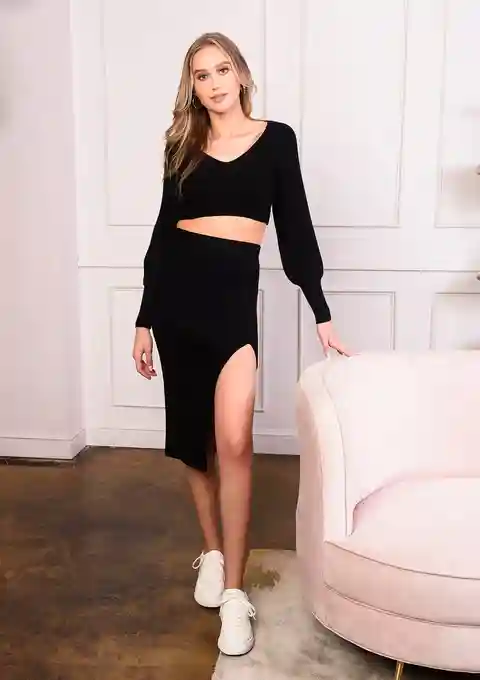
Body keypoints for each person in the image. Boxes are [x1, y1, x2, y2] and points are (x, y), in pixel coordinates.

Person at [132, 31, 349, 656]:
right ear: (193, 88)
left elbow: (296, 227)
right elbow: (162, 232)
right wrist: (144, 319)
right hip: (177, 301)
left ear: (242, 74)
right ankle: (213, 553)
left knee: (234, 440)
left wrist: (321, 311)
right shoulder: (182, 145)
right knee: (195, 439)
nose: (214, 83)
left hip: (231, 304)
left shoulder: (276, 139)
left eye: (222, 69)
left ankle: (235, 594)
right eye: (201, 75)